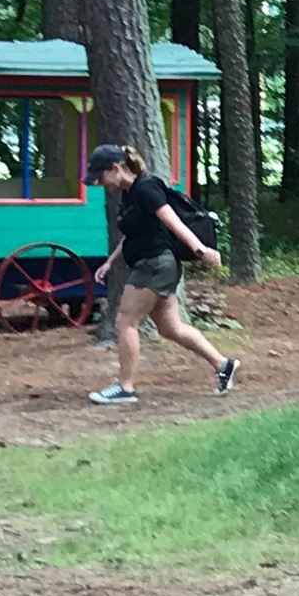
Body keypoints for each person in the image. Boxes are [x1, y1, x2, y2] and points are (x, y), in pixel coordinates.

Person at [85, 141, 237, 407]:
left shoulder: (146, 188)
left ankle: (125, 388)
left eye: (100, 176)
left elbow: (171, 220)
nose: (99, 183)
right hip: (155, 265)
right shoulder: (129, 193)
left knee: (125, 321)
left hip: (155, 265)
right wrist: (110, 262)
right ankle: (223, 365)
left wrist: (200, 249)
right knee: (170, 328)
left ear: (116, 168)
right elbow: (132, 234)